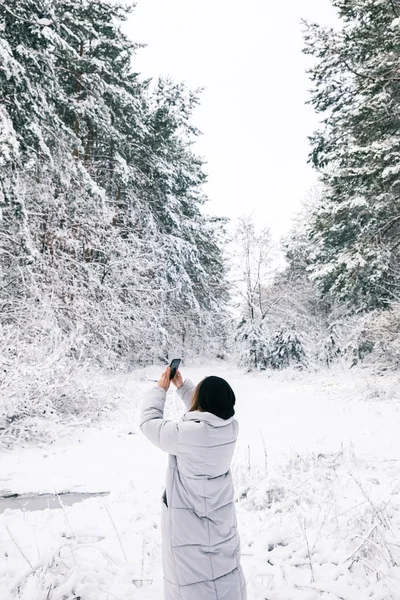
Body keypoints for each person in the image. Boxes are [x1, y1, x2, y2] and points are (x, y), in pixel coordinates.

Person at [140, 367, 247, 600]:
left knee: (192, 583)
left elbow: (149, 423)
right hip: (219, 524)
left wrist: (161, 390)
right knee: (222, 576)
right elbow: (209, 412)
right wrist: (183, 387)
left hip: (189, 529)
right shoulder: (229, 428)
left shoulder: (187, 435)